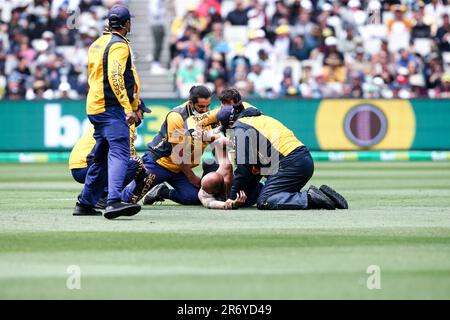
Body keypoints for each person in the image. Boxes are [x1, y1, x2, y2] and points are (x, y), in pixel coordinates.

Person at [213, 88, 348, 211]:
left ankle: (309, 197)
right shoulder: (254, 118)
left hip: (290, 163)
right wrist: (243, 195)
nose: (228, 134)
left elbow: (243, 169)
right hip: (301, 159)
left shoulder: (240, 129)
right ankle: (324, 197)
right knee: (269, 192)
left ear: (230, 124)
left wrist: (231, 197)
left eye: (227, 130)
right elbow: (253, 167)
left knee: (265, 200)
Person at [73, 5, 143, 219]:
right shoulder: (119, 45)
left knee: (101, 156)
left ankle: (85, 203)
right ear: (126, 24)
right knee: (120, 152)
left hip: (95, 106)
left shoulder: (97, 43)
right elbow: (115, 76)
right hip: (112, 108)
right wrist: (126, 107)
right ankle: (113, 201)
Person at [122, 85, 221, 206]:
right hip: (159, 163)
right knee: (129, 199)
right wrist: (191, 177)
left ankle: (162, 192)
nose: (205, 110)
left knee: (195, 198)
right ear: (191, 103)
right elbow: (178, 154)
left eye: (207, 106)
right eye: (201, 106)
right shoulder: (177, 116)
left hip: (180, 169)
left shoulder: (209, 116)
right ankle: (106, 195)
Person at [69, 101, 151, 211]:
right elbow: (125, 156)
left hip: (79, 166)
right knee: (136, 163)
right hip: (87, 166)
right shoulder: (125, 122)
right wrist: (140, 171)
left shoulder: (111, 118)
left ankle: (89, 195)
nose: (142, 117)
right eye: (142, 113)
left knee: (128, 162)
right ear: (134, 110)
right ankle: (103, 197)